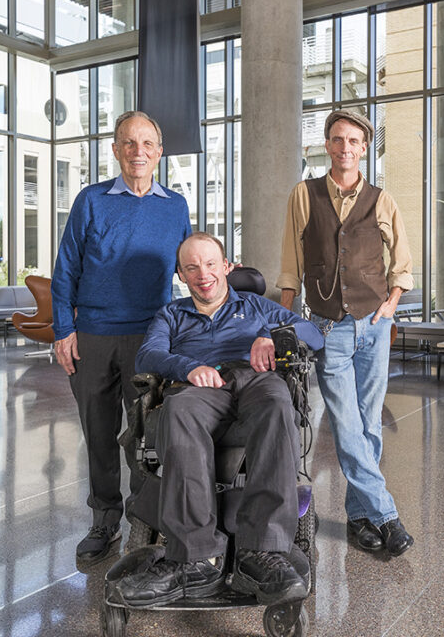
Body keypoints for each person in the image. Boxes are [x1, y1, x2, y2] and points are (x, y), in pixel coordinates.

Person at [116, 232, 324, 607]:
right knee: (177, 410)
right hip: (200, 385)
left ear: (227, 267)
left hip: (256, 379)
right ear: (180, 274)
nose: (203, 274)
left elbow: (314, 334)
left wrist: (274, 337)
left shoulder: (257, 306)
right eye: (192, 267)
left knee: (278, 404)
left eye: (211, 264)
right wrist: (188, 366)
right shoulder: (172, 314)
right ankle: (194, 559)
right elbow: (148, 355)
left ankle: (263, 551)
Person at [52, 111, 192, 562]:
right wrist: (63, 329)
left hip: (149, 338)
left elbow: (189, 267)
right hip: (92, 334)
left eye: (147, 144)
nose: (138, 152)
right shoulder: (91, 200)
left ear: (159, 152)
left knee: (146, 436)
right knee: (98, 431)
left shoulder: (175, 206)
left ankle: (144, 519)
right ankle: (104, 520)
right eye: (129, 143)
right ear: (115, 150)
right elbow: (66, 268)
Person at [277, 109, 416, 558]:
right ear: (327, 145)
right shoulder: (304, 194)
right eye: (337, 140)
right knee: (346, 423)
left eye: (354, 141)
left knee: (369, 423)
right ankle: (386, 515)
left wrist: (391, 305)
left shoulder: (382, 199)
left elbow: (403, 261)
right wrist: (285, 316)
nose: (345, 148)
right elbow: (290, 262)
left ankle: (360, 517)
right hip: (328, 325)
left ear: (363, 148)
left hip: (374, 325)